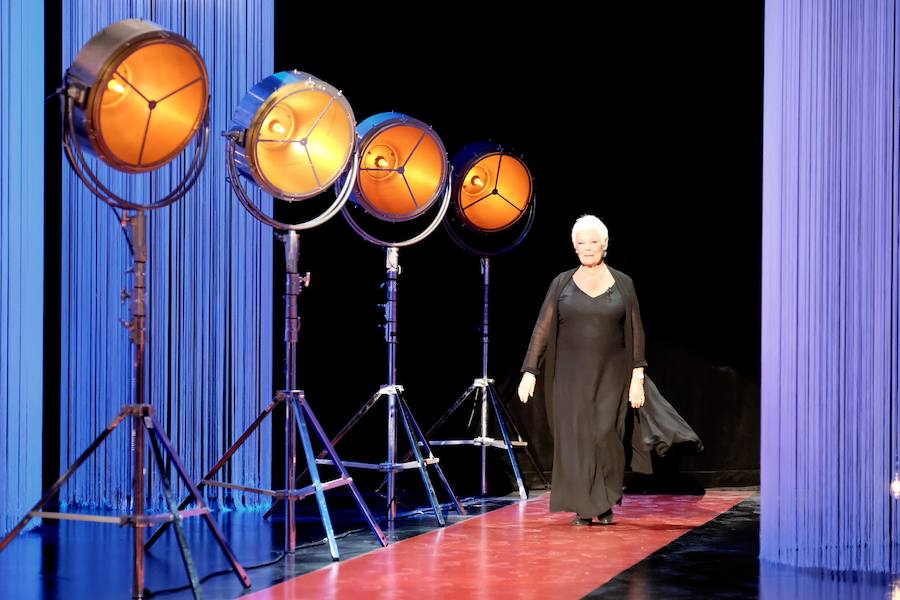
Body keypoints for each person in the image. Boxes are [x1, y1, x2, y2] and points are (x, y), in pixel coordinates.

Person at [518, 215, 701, 526]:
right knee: (576, 438)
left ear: (605, 244)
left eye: (593, 242)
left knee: (606, 436)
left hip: (611, 377)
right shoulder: (561, 283)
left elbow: (636, 331)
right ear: (574, 248)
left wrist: (637, 378)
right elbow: (542, 329)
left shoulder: (623, 283)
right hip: (568, 378)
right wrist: (529, 370)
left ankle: (604, 501)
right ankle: (585, 507)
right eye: (581, 243)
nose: (587, 248)